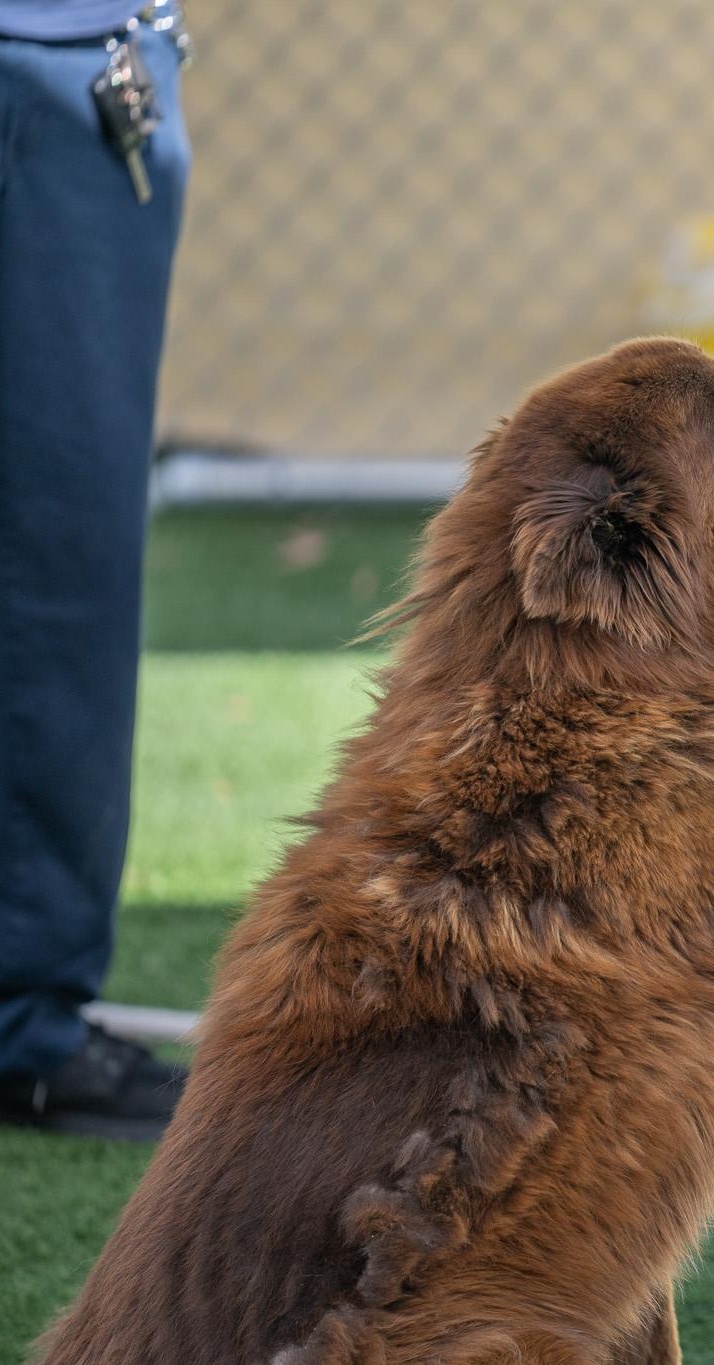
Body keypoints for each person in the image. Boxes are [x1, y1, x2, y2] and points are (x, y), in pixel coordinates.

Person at [0, 1, 191, 1140]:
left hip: (73, 59)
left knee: (59, 551)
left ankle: (23, 1021)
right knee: (55, 555)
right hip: (55, 66)